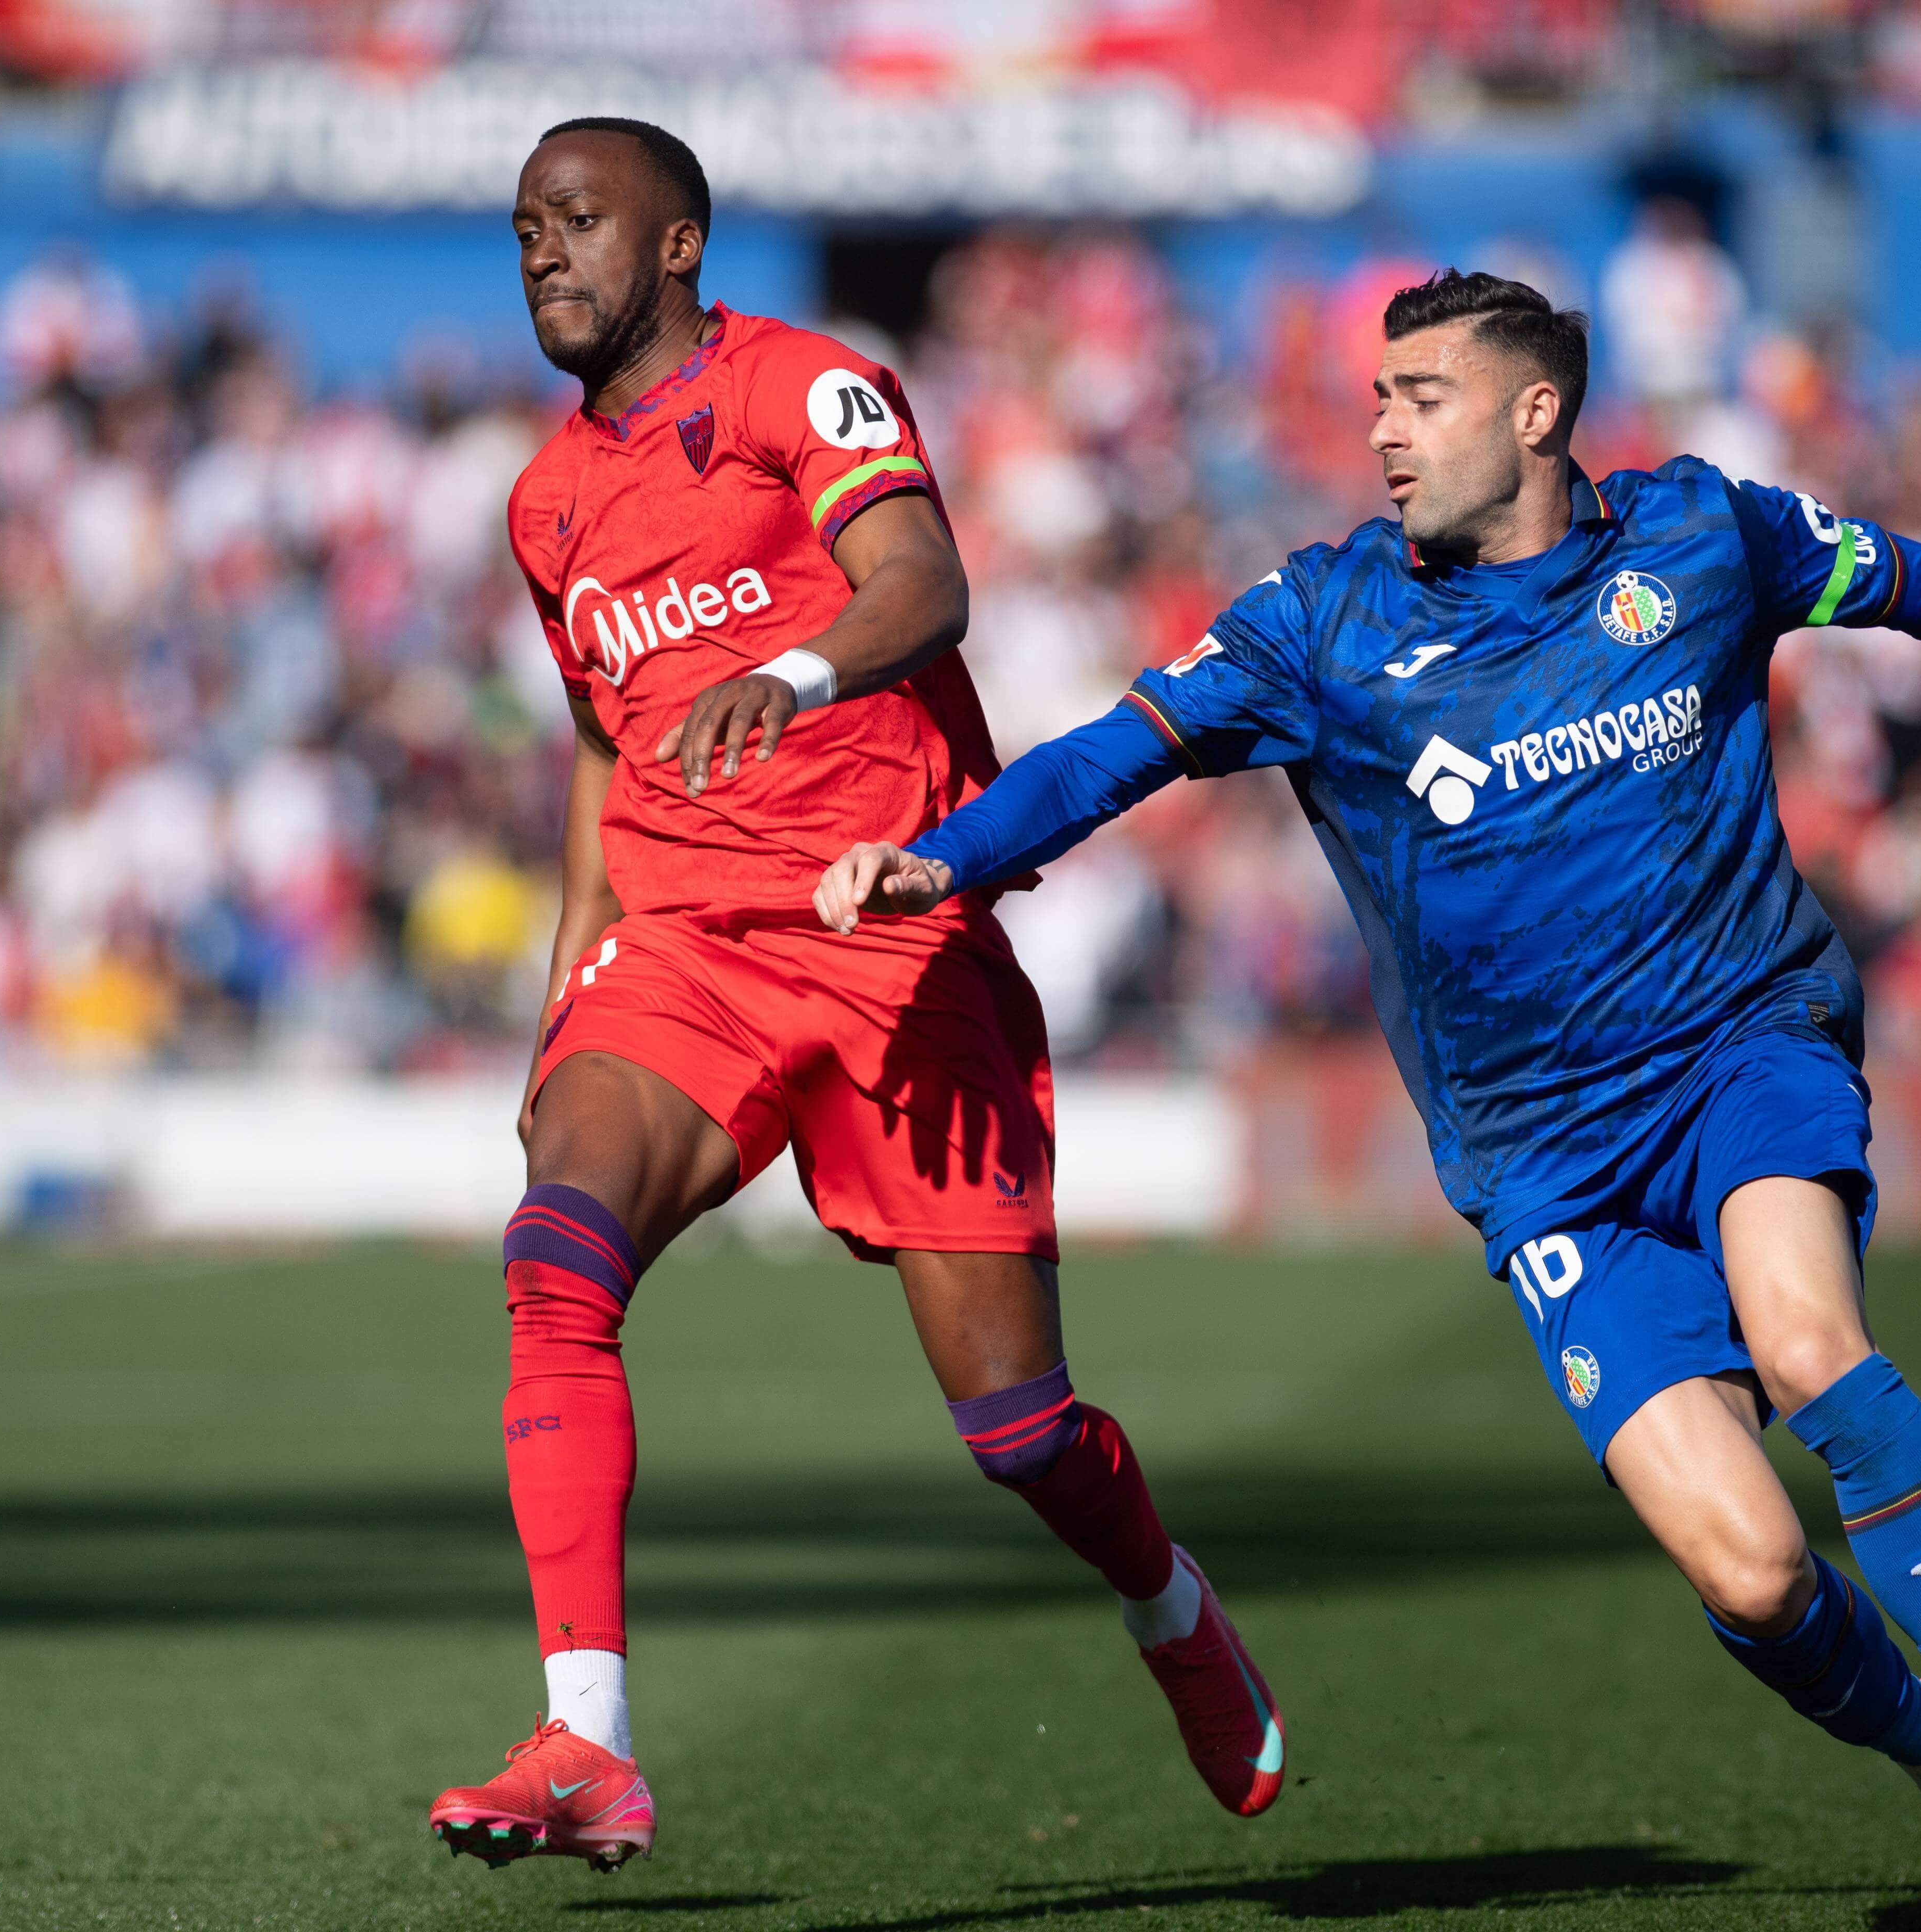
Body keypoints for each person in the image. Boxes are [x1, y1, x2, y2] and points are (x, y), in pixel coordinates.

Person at [818, 272, 1921, 1929]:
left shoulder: (1703, 539)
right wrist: (943, 859)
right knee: (1748, 1567)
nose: (1378, 428)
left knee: (1806, 1343)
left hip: (1742, 1044)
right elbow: (1105, 755)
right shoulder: (1320, 625)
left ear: (1534, 411)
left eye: (1418, 395)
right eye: (1373, 395)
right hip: (1541, 1164)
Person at [423, 118, 1284, 1873]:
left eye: (577, 222)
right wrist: (559, 984)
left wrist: (791, 668)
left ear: (675, 244)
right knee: (551, 1261)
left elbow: (923, 586)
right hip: (681, 944)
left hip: (890, 927)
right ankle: (584, 1736)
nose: (543, 255)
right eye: (523, 230)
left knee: (1016, 1431)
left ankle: (1165, 1597)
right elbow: (600, 744)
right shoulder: (544, 501)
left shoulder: (802, 388)